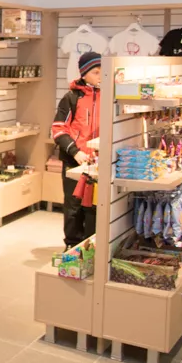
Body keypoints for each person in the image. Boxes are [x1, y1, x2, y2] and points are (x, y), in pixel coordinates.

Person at [52, 51, 101, 248]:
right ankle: (72, 246)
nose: (101, 76)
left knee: (94, 207)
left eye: (103, 71)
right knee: (73, 207)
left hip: (98, 162)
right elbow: (58, 129)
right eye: (96, 72)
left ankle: (91, 248)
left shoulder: (110, 97)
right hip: (74, 160)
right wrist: (75, 152)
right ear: (84, 73)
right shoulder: (71, 97)